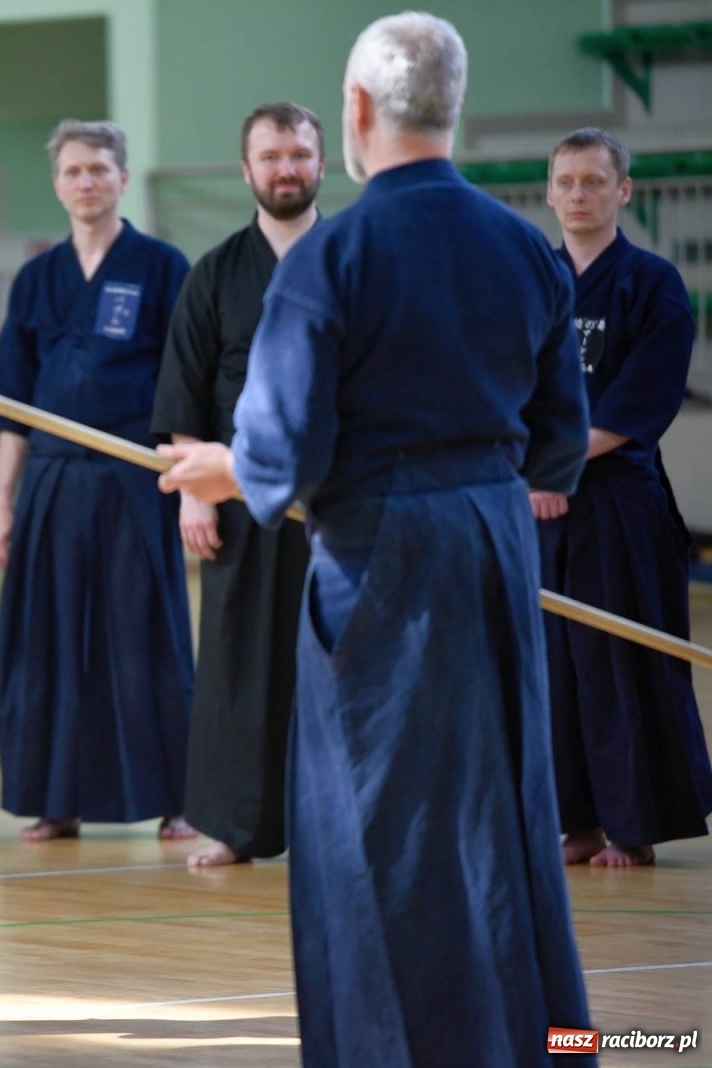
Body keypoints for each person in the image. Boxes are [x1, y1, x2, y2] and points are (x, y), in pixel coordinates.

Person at [157, 14, 595, 1065]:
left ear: (353, 114)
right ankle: (550, 1043)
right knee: (502, 811)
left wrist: (229, 469)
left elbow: (287, 452)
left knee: (374, 825)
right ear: (454, 108)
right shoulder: (524, 247)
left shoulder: (333, 256)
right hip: (492, 547)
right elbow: (559, 442)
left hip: (381, 565)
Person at [0, 120, 194, 842]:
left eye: (99, 169)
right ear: (58, 183)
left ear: (123, 179)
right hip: (52, 483)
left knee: (143, 634)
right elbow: (12, 397)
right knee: (50, 638)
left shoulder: (162, 267)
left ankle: (174, 797)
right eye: (73, 171)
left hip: (136, 478)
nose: (86, 182)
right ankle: (55, 798)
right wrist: (2, 500)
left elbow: (186, 385)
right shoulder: (38, 278)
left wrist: (188, 478)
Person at [149, 102, 322, 868]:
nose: (286, 168)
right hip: (239, 497)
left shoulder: (354, 259)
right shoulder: (214, 273)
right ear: (246, 170)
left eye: (299, 153)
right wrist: (194, 489)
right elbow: (184, 392)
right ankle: (235, 824)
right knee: (237, 662)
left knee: (339, 663)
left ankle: (336, 823)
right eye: (272, 156)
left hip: (337, 498)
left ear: (321, 161)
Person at [538, 128, 712, 868]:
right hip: (537, 504)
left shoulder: (653, 282)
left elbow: (645, 395)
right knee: (553, 665)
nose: (579, 195)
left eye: (593, 182)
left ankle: (632, 825)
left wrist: (555, 465)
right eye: (567, 182)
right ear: (550, 193)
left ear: (623, 191)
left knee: (617, 661)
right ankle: (574, 822)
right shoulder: (529, 282)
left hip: (616, 501)